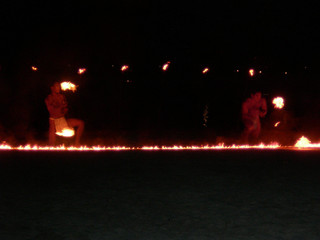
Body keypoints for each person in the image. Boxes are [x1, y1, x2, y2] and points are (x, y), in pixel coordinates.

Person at [45, 82, 84, 146]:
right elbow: (52, 109)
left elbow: (64, 108)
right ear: (52, 88)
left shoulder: (62, 96)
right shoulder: (49, 98)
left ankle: (77, 143)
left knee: (81, 123)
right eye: (57, 86)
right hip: (54, 121)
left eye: (59, 86)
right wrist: (59, 106)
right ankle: (51, 148)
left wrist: (64, 109)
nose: (59, 88)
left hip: (62, 120)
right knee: (51, 143)